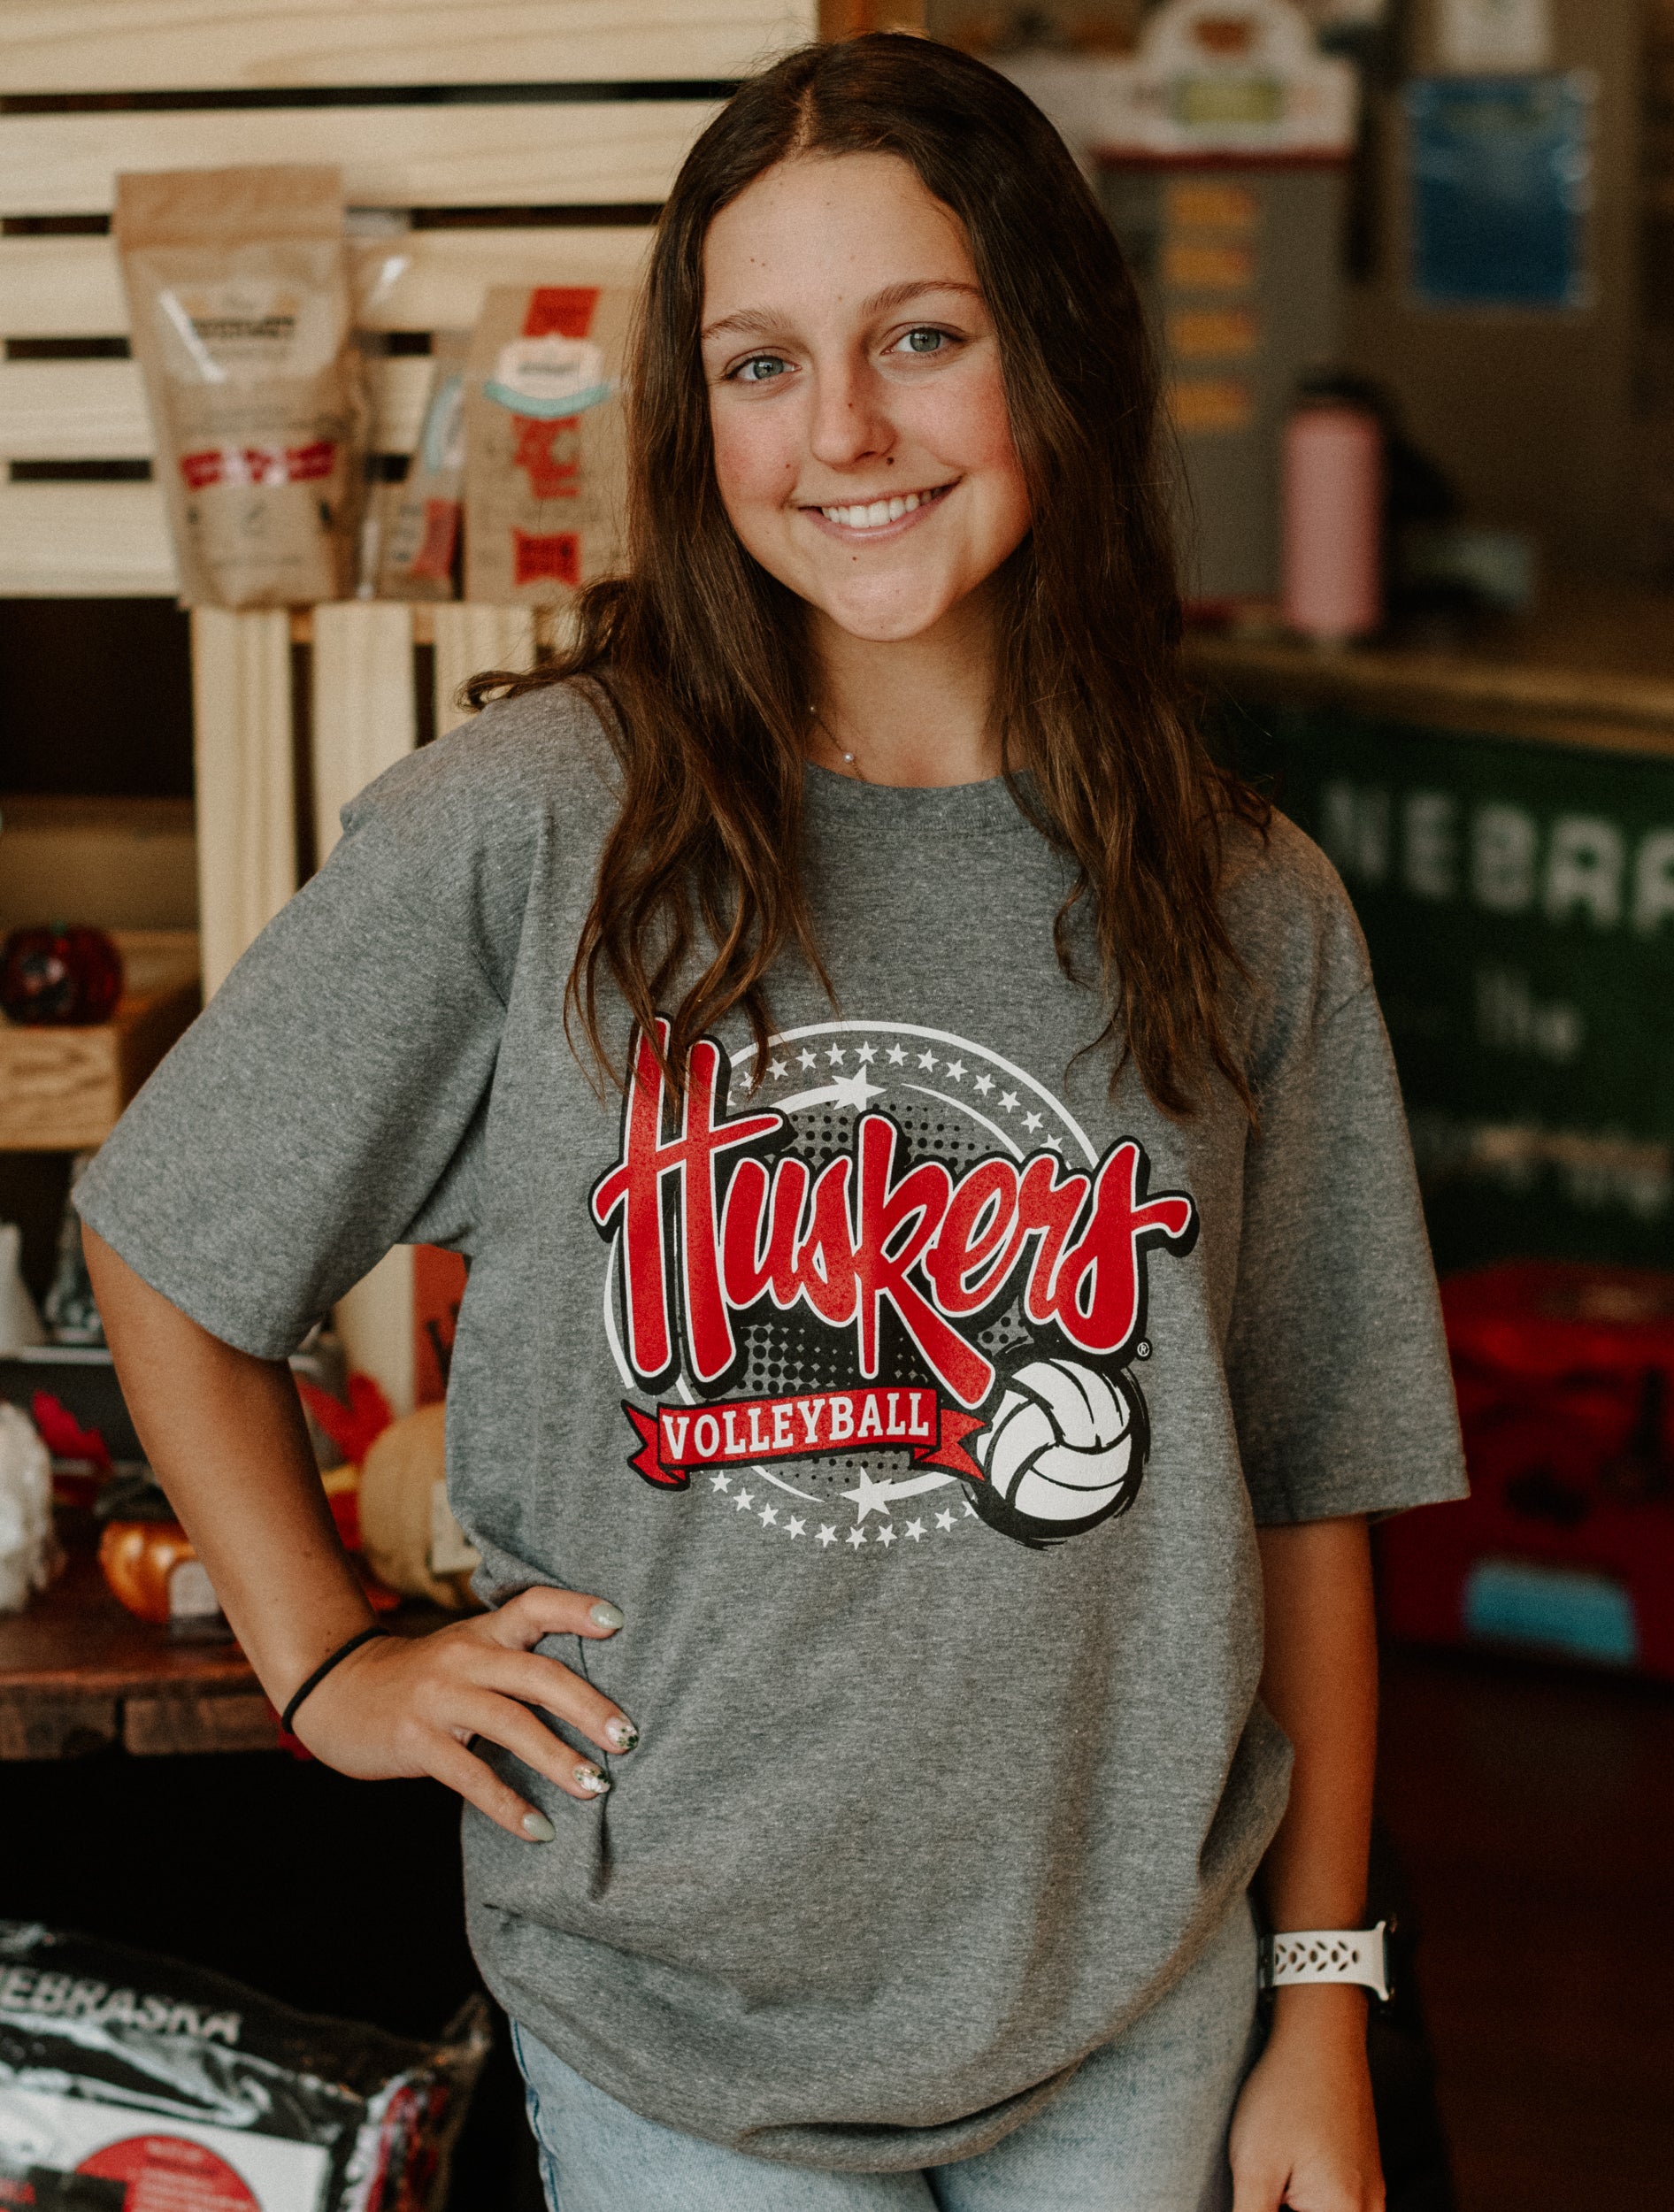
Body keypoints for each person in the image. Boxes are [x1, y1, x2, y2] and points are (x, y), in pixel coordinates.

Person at [81, 35, 1465, 2212]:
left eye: (921, 338)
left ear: (1064, 364)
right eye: (757, 363)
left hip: (1138, 2001)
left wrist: (1320, 2004)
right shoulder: (539, 827)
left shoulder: (1244, 901)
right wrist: (325, 1650)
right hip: (673, 2021)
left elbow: (1309, 1489)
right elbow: (166, 1232)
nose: (841, 434)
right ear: (687, 414)